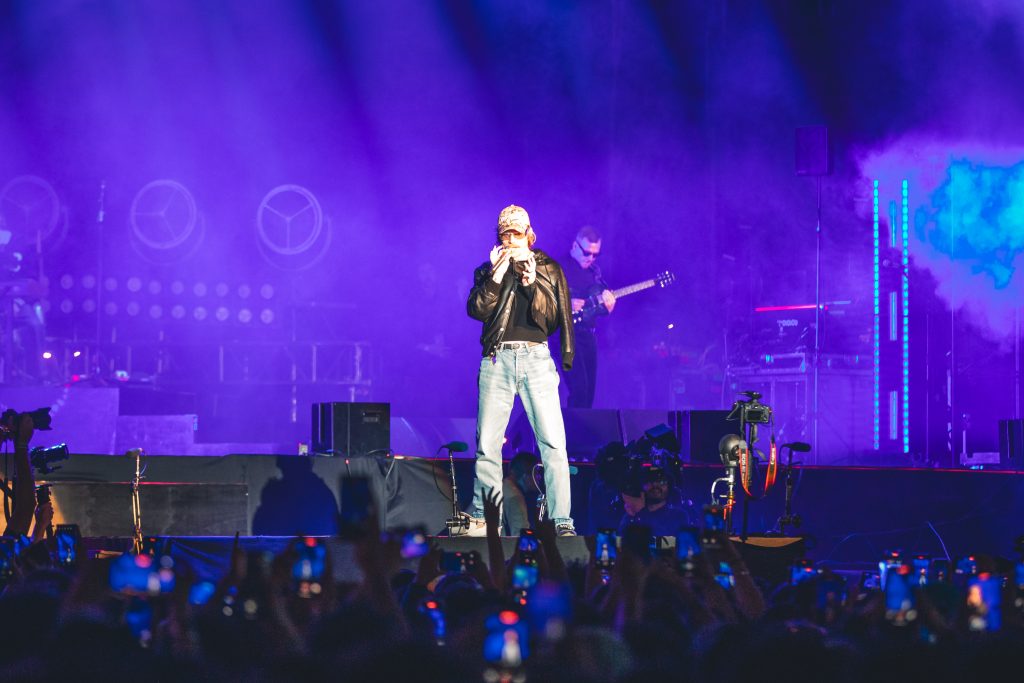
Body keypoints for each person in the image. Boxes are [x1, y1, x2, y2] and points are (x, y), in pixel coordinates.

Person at [463, 204, 576, 537]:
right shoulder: (488, 270)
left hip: (536, 359)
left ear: (529, 233)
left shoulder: (549, 268)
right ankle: (485, 516)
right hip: (498, 360)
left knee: (553, 444)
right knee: (488, 443)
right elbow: (477, 310)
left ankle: (561, 520)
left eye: (516, 232)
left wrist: (530, 282)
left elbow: (553, 319)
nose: (511, 239)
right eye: (505, 234)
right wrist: (497, 275)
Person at [561, 226, 614, 408]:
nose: (590, 258)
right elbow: (539, 298)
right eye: (586, 252)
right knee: (579, 389)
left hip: (588, 335)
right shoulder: (558, 267)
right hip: (566, 335)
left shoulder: (594, 273)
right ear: (575, 246)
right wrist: (566, 303)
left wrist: (607, 306)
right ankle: (573, 433)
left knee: (589, 391)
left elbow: (597, 307)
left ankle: (581, 431)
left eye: (595, 254)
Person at [617, 466, 691, 537]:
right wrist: (633, 516)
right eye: (650, 481)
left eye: (661, 482)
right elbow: (622, 540)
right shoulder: (633, 513)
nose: (655, 485)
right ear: (642, 487)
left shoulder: (679, 516)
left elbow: (683, 544)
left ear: (669, 487)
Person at [501, 451, 539, 535]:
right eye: (536, 473)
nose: (539, 477)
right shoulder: (515, 497)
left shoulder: (502, 486)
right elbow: (520, 536)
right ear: (526, 475)